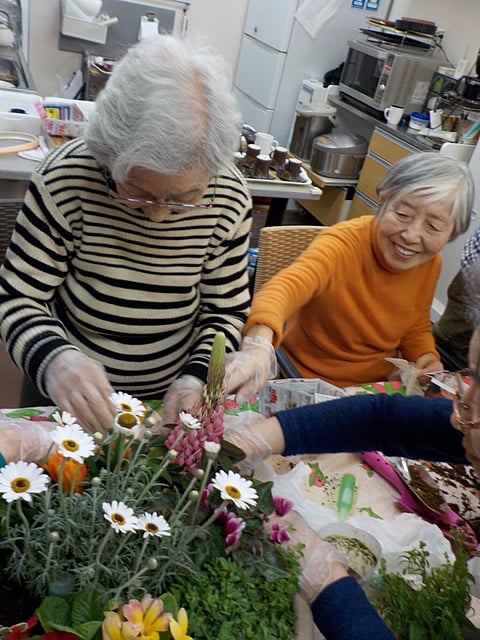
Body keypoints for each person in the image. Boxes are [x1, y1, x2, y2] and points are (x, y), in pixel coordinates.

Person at [0, 35, 252, 434]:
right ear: (108, 154)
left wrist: (198, 376)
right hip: (69, 398)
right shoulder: (65, 180)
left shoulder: (228, 196)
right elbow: (17, 297)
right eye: (138, 194)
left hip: (166, 402)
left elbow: (225, 311)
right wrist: (54, 360)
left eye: (184, 198)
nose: (158, 215)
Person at [224, 152, 475, 401]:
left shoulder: (430, 262)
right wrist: (257, 346)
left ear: (452, 234)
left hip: (372, 390)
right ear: (384, 201)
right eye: (403, 214)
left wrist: (425, 356)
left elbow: (415, 323)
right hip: (304, 383)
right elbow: (284, 289)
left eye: (433, 226)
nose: (411, 235)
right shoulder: (344, 243)